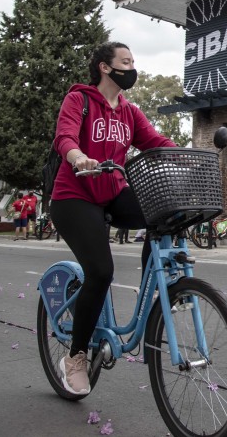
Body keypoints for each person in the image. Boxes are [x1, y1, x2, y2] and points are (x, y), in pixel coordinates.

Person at [49, 42, 177, 396]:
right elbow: (65, 136)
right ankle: (74, 357)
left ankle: (158, 284)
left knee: (162, 212)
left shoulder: (129, 111)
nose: (131, 67)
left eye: (133, 61)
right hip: (74, 196)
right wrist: (78, 158)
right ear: (106, 67)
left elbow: (153, 141)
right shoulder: (80, 100)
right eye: (125, 61)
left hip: (112, 191)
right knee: (101, 272)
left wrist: (186, 154)